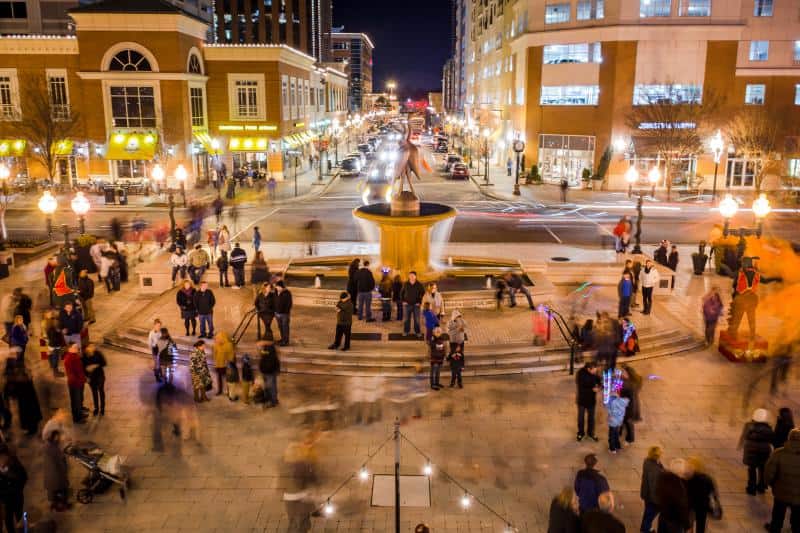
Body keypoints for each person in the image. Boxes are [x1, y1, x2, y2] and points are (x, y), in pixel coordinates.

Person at [764, 428, 800, 533]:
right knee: (797, 517)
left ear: (789, 438)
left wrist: (770, 483)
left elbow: (769, 472)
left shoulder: (778, 453)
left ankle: (775, 529)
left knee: (778, 514)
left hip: (781, 492)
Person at [738, 408, 775, 495]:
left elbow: (744, 436)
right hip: (764, 451)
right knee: (762, 469)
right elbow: (772, 439)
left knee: (752, 469)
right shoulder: (768, 428)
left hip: (751, 450)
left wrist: (740, 444)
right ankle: (761, 487)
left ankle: (751, 488)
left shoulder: (748, 425)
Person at [3, 360, 42, 436]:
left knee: (29, 412)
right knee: (29, 412)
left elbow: (12, 389)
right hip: (26, 398)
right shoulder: (18, 375)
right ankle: (32, 428)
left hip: (27, 399)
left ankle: (32, 429)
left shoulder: (19, 377)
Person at [655, 458, 692, 533]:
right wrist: (687, 526)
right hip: (674, 522)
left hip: (663, 517)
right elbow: (682, 508)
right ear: (680, 471)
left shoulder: (663, 478)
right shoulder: (678, 487)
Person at [686, 457, 720, 533]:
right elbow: (713, 493)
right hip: (703, 506)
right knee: (701, 525)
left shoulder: (688, 478)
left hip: (691, 505)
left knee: (689, 523)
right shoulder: (707, 478)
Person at [0, 450, 27, 533]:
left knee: (20, 517)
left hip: (17, 498)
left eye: (3, 457)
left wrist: (10, 475)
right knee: (8, 521)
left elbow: (24, 477)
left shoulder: (14, 464)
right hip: (6, 502)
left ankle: (23, 531)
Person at [42, 429, 69, 512]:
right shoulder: (53, 448)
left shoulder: (48, 446)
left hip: (52, 475)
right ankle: (61, 505)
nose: (59, 438)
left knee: (55, 491)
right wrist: (65, 470)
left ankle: (56, 505)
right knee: (62, 490)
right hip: (56, 475)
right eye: (57, 437)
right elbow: (60, 462)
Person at [640, 446, 664, 532]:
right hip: (653, 498)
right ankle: (645, 529)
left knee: (648, 512)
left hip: (646, 493)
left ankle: (645, 527)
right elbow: (654, 487)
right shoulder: (656, 471)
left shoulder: (647, 461)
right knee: (650, 514)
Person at [576, 361, 601, 442]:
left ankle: (591, 433)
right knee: (581, 418)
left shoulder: (595, 373)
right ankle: (581, 433)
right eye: (594, 370)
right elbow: (581, 388)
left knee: (591, 418)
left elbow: (599, 380)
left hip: (591, 400)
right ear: (589, 369)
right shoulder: (580, 374)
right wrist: (592, 389)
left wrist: (600, 386)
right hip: (582, 400)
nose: (596, 371)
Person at [619, 364, 642, 445]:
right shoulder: (636, 380)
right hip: (627, 405)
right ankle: (620, 431)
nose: (621, 373)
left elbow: (617, 390)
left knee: (629, 423)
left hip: (629, 407)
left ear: (628, 373)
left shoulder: (628, 385)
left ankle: (630, 439)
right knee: (625, 421)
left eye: (623, 372)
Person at [81, 343, 106, 416]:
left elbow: (104, 363)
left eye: (93, 346)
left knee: (101, 391)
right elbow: (83, 368)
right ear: (86, 348)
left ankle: (102, 409)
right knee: (94, 392)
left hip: (100, 376)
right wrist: (86, 377)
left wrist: (95, 365)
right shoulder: (84, 356)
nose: (93, 347)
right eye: (91, 346)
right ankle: (96, 408)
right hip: (91, 377)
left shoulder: (98, 353)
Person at [63, 344, 86, 423]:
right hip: (75, 384)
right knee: (75, 401)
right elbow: (71, 373)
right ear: (70, 349)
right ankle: (77, 418)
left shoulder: (75, 356)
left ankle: (80, 413)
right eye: (75, 347)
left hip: (80, 382)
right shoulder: (68, 358)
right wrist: (77, 381)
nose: (77, 348)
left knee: (79, 400)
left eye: (77, 347)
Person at [401, 271, 425, 338]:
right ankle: (406, 331)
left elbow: (423, 294)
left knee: (417, 320)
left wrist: (420, 302)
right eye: (410, 275)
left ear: (415, 276)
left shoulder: (419, 284)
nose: (411, 277)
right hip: (407, 305)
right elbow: (402, 293)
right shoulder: (406, 284)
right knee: (406, 319)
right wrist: (403, 301)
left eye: (412, 275)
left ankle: (417, 332)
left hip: (416, 305)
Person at [258, 340, 280, 408]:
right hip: (267, 372)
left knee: (270, 387)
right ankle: (271, 400)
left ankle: (273, 401)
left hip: (269, 372)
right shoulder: (268, 351)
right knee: (269, 386)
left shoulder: (268, 352)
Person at [44, 310, 66, 377]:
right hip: (55, 344)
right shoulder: (52, 323)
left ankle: (51, 365)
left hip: (52, 343)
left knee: (51, 355)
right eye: (50, 314)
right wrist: (60, 332)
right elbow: (54, 334)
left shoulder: (48, 322)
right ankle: (55, 372)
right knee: (55, 358)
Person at [275, 281, 292, 346]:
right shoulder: (276, 292)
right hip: (277, 313)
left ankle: (286, 341)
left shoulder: (287, 293)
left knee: (285, 328)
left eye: (278, 287)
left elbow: (289, 304)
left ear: (281, 287)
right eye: (276, 286)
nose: (277, 288)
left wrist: (285, 311)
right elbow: (275, 300)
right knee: (280, 327)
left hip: (284, 314)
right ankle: (282, 338)